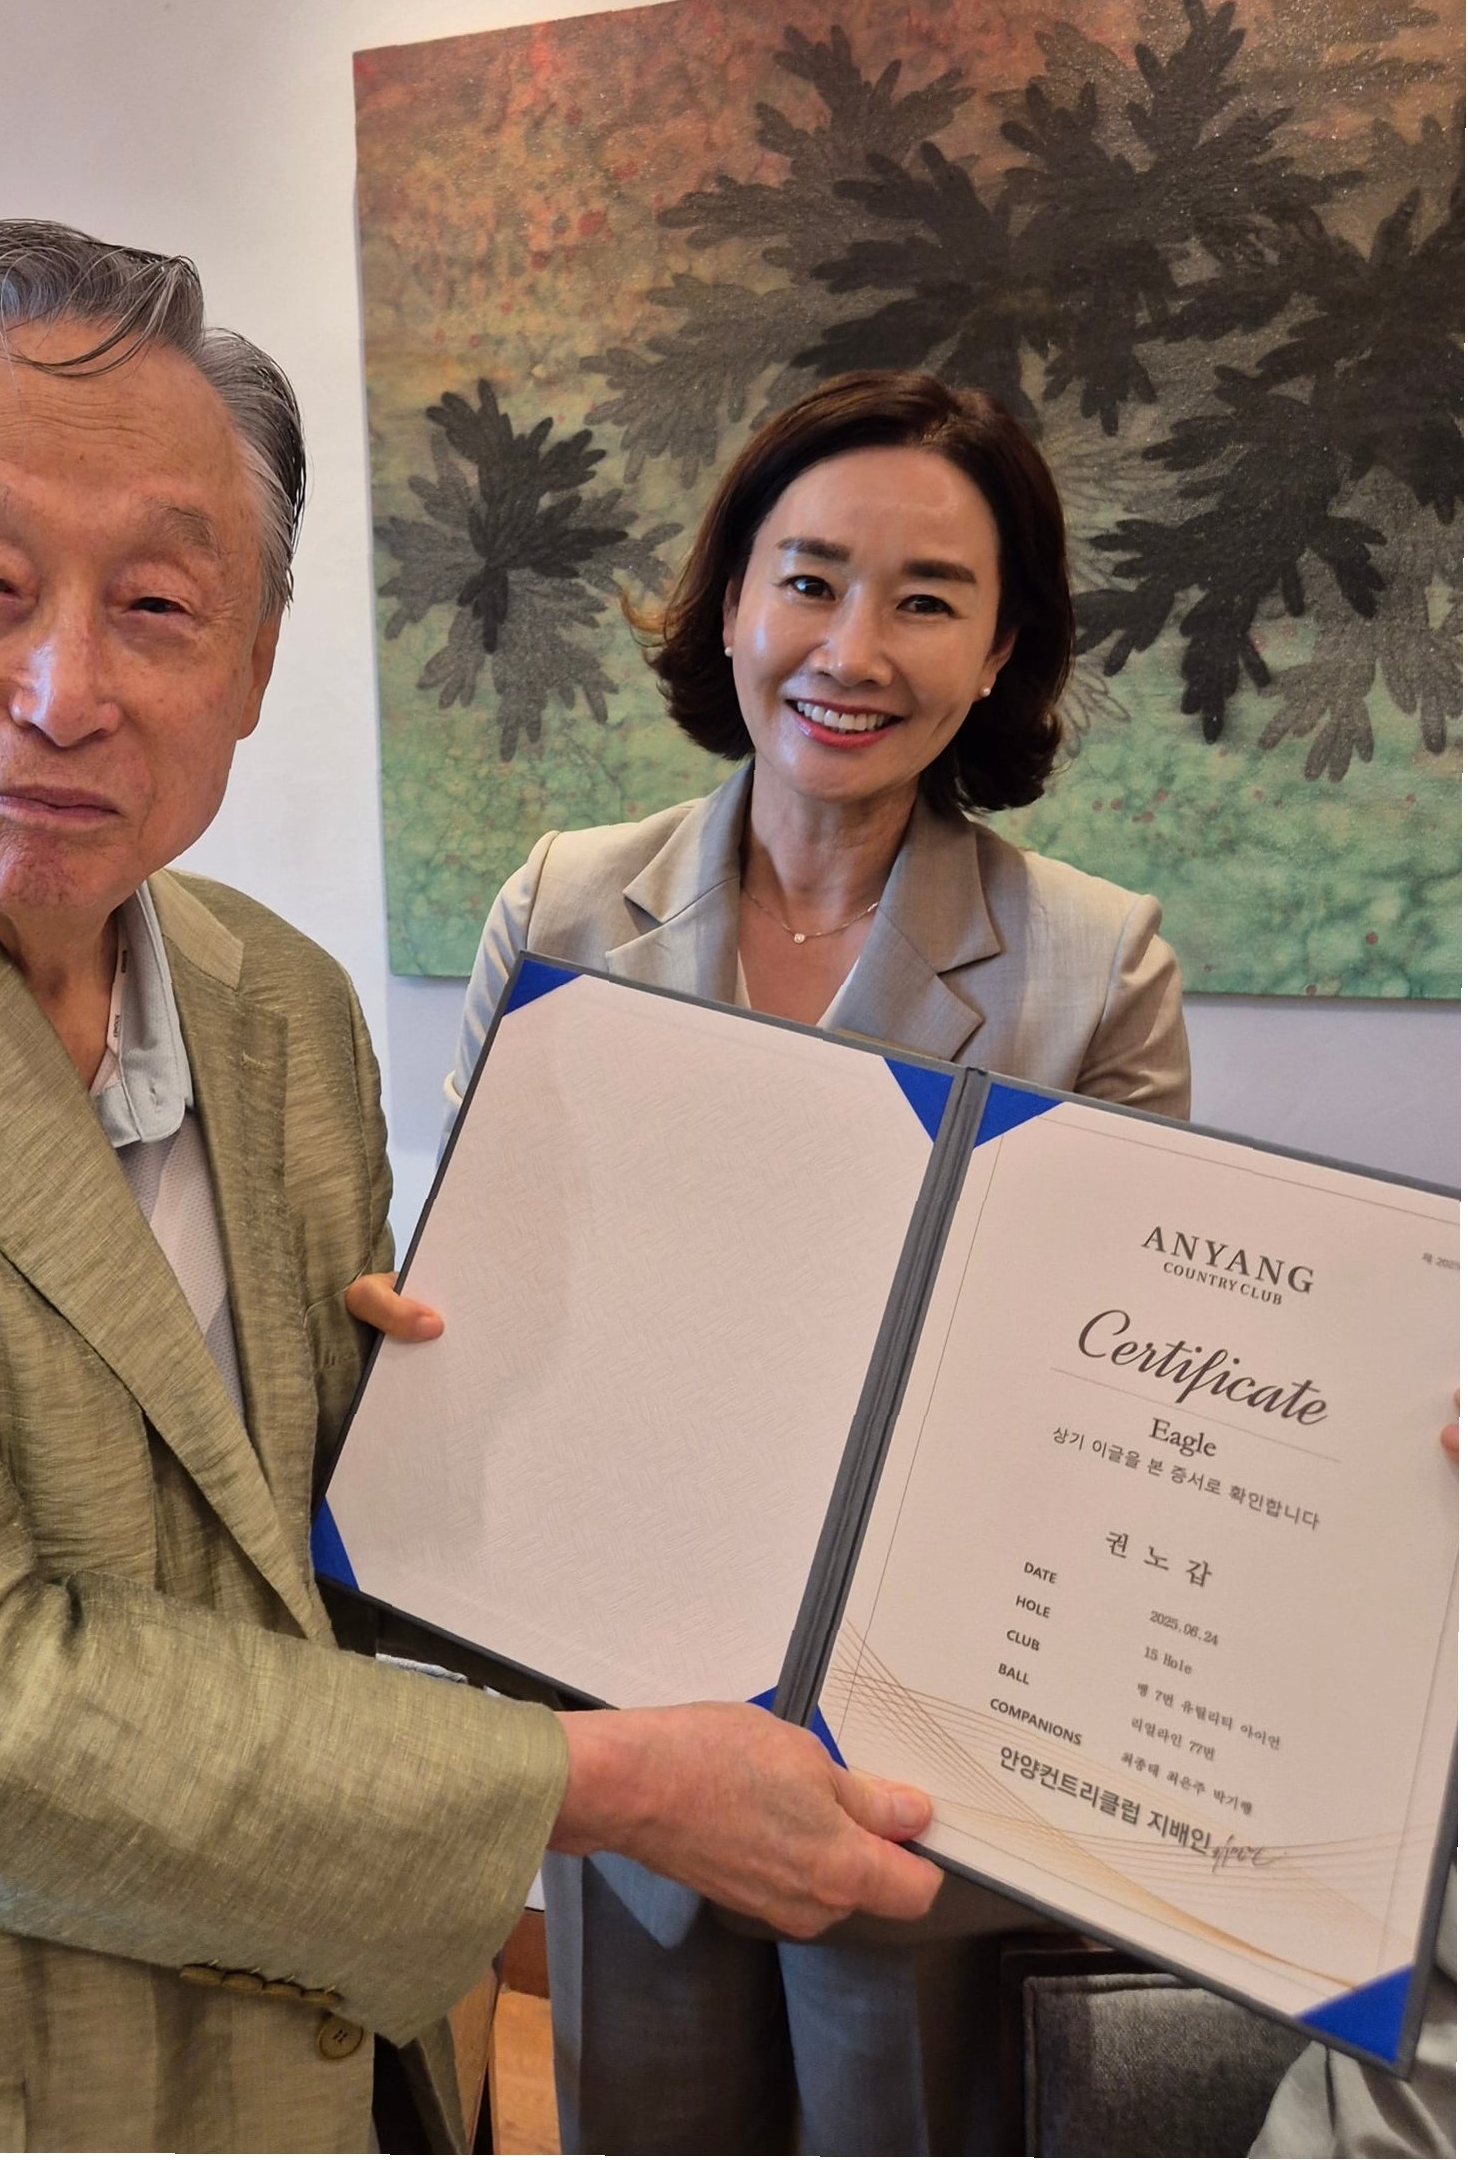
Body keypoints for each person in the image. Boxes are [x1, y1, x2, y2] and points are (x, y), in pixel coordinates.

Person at [0, 226, 944, 2156]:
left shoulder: (272, 1002)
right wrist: (601, 1783)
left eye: (158, 605)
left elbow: (292, 1541)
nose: (65, 690)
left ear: (257, 663)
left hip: (316, 2068)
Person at [359, 369, 1187, 2156]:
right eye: (808, 580)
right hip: (625, 1720)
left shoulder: (1091, 967)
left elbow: (1102, 1405)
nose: (851, 650)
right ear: (730, 600)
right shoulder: (560, 907)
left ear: (999, 652)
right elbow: (493, 1280)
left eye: (926, 600)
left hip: (924, 1773)